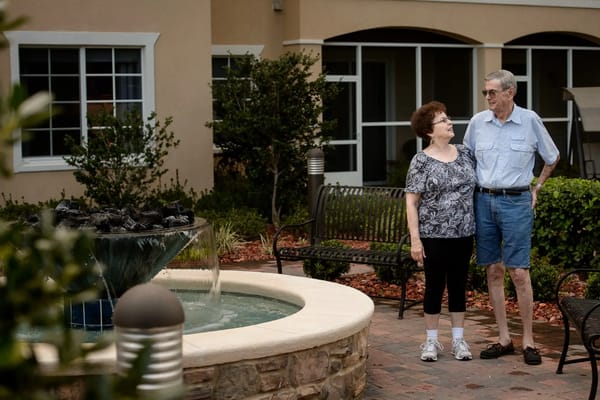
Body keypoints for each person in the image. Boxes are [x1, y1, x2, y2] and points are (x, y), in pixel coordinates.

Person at [463, 69, 560, 366]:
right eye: (485, 92)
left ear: (509, 92)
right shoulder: (478, 123)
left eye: (492, 92)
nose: (487, 97)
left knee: (519, 272)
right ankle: (503, 338)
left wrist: (537, 187)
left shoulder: (530, 120)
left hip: (516, 202)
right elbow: (466, 159)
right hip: (484, 200)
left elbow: (552, 156)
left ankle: (529, 340)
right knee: (493, 270)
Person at [405, 101, 476, 362]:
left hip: (464, 233)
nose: (449, 123)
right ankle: (431, 342)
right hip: (433, 235)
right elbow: (412, 201)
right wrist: (415, 240)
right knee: (434, 287)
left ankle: (459, 341)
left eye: (448, 118)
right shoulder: (420, 161)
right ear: (429, 131)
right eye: (443, 121)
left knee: (458, 287)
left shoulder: (465, 153)